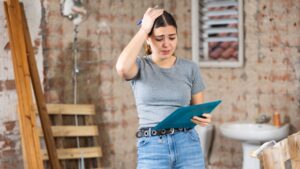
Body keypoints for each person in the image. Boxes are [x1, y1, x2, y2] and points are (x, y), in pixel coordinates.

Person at [116, 6, 211, 169]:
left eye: (172, 38)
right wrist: (143, 29)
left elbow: (198, 110)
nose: (167, 44)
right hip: (152, 146)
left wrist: (204, 118)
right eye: (159, 38)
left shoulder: (190, 68)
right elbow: (122, 69)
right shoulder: (140, 66)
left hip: (188, 144)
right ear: (148, 39)